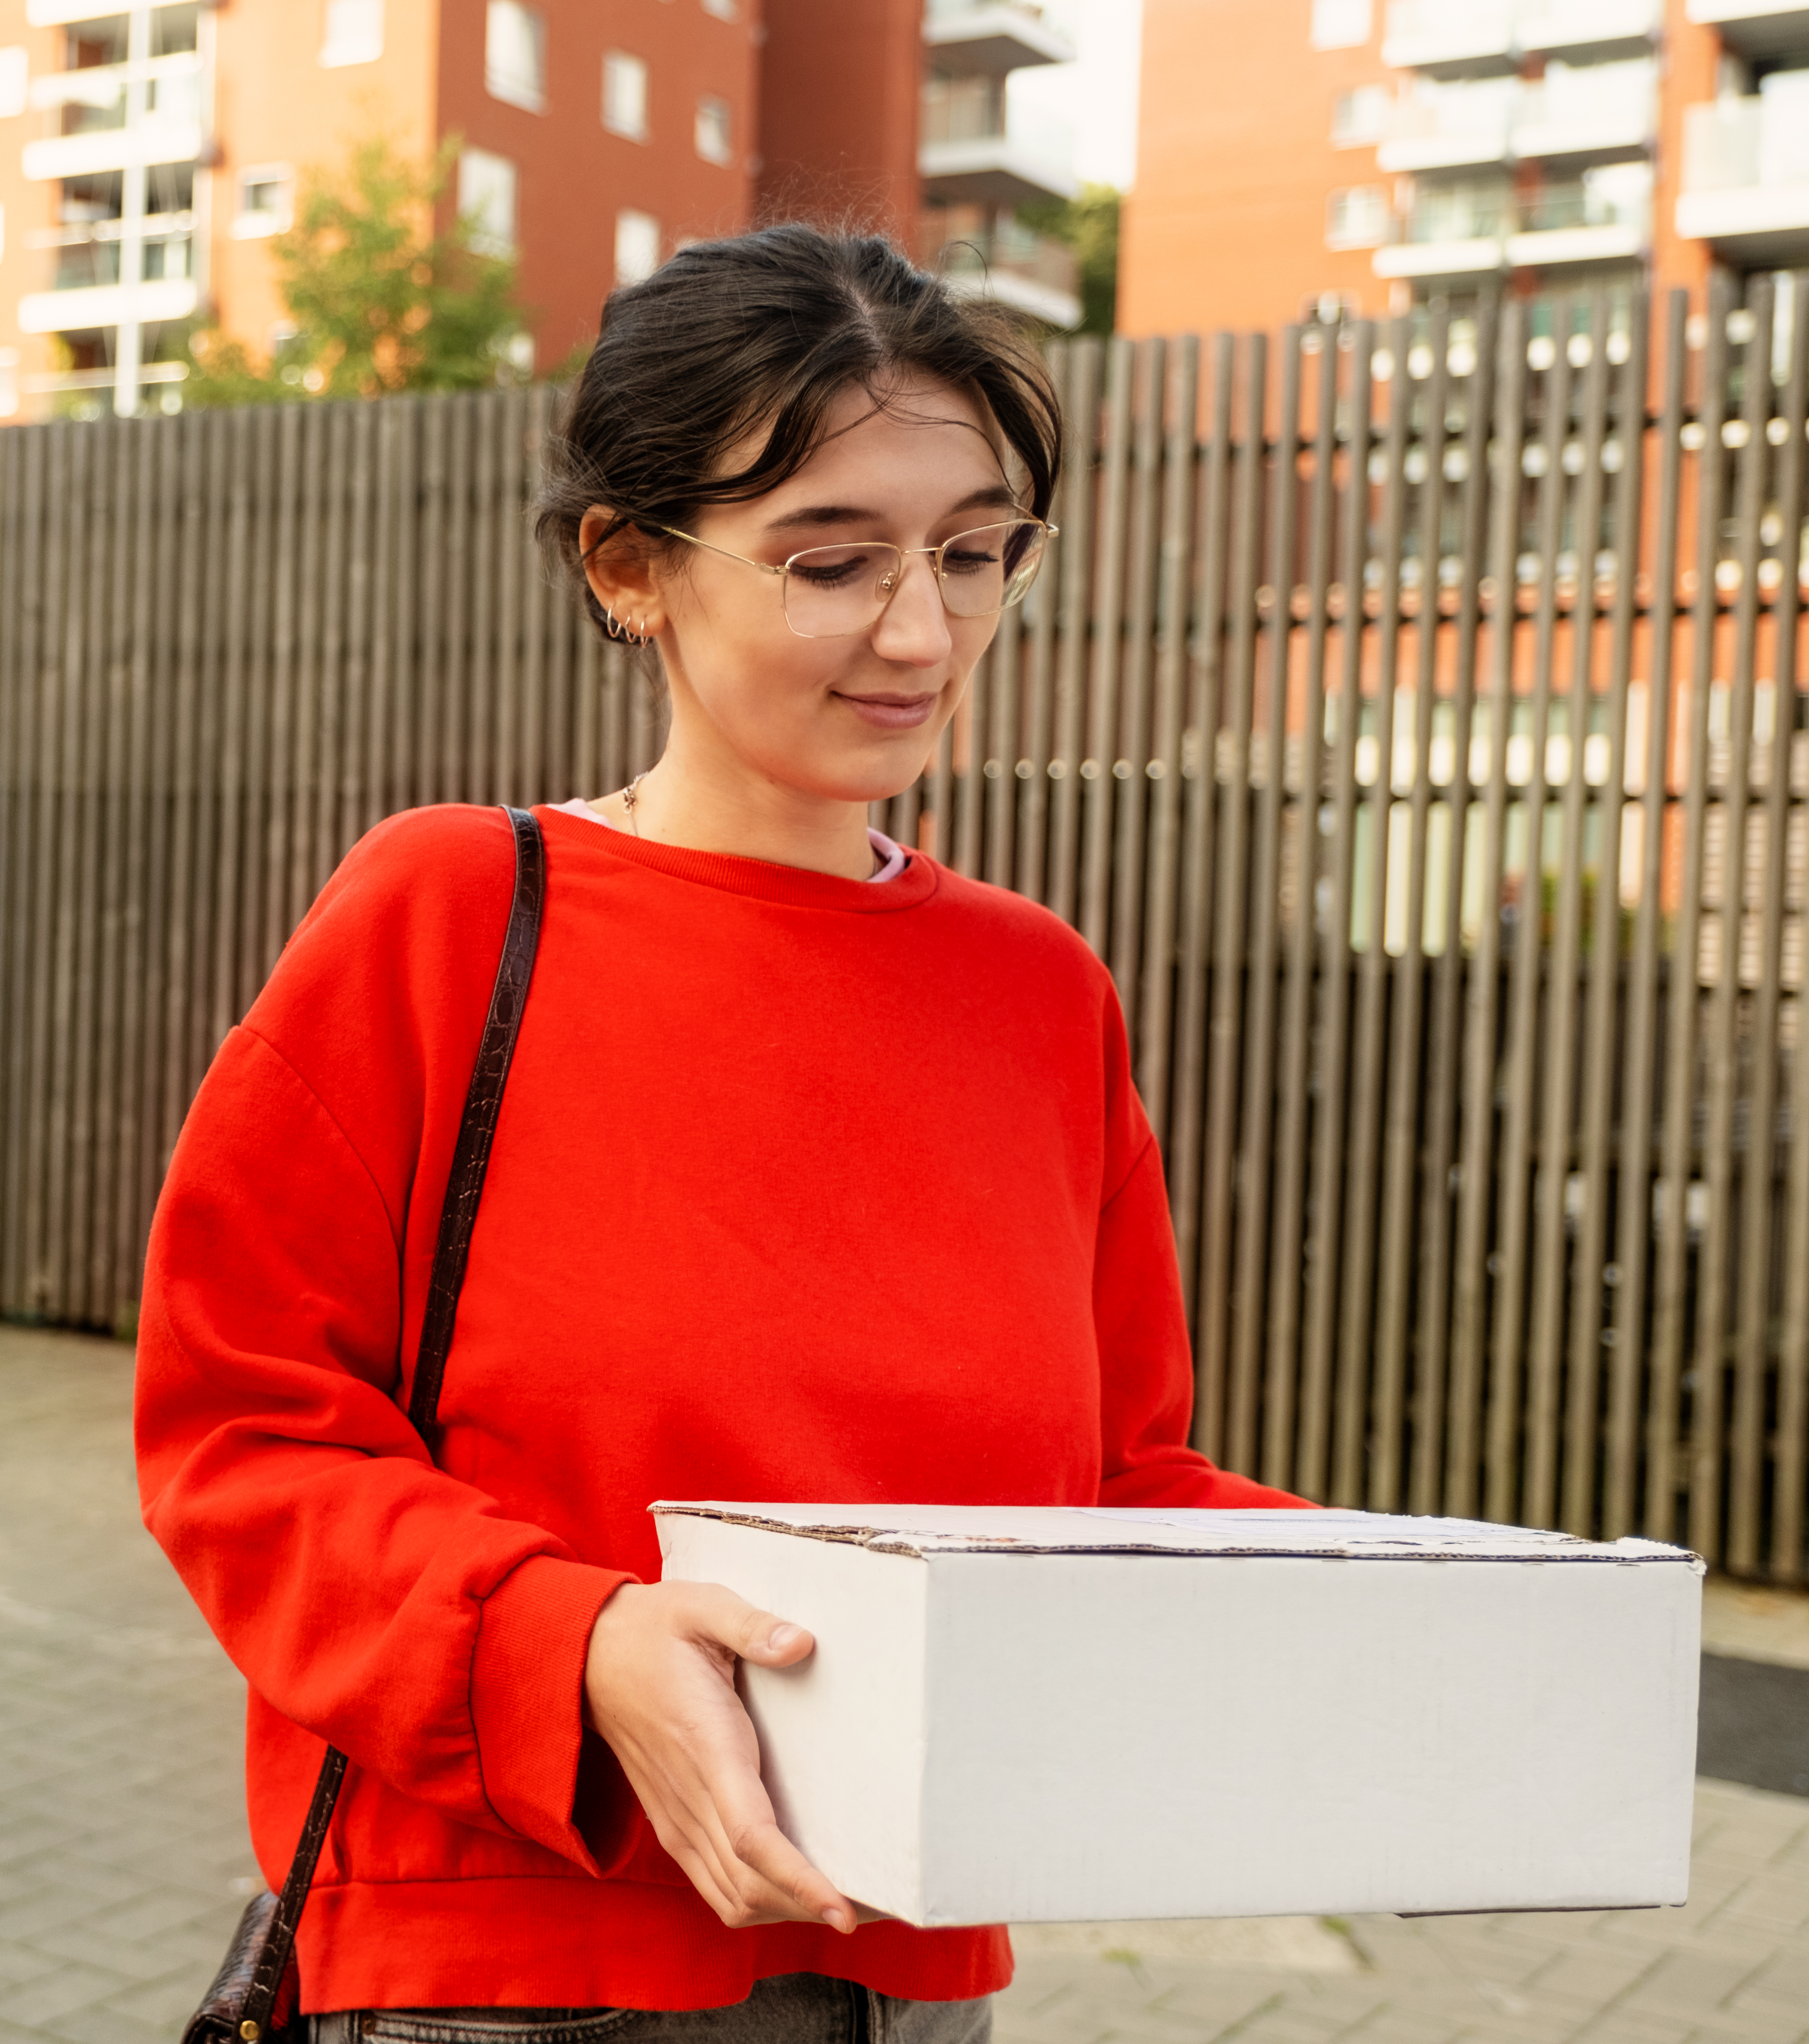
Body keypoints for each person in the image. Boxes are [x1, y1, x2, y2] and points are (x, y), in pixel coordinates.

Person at [132, 223, 1308, 2044]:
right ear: (631, 568)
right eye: (833, 560)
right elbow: (244, 1433)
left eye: (978, 552)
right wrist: (578, 1643)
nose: (923, 632)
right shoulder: (451, 918)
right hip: (507, 1978)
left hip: (911, 1977)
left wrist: (1396, 1616)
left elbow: (1118, 1490)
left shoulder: (1041, 993)